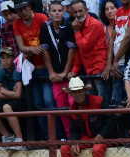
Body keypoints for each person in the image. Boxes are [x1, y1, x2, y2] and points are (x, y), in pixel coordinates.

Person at [60, 76, 121, 157]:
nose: (78, 94)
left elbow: (111, 121)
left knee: (98, 149)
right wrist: (74, 142)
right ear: (71, 94)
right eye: (75, 92)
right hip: (88, 139)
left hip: (104, 138)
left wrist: (101, 135)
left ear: (84, 90)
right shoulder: (73, 108)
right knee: (65, 148)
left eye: (79, 91)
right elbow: (74, 129)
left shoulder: (98, 101)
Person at [13, 0, 52, 138]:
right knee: (37, 103)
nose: (21, 12)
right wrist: (32, 49)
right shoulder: (16, 23)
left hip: (47, 66)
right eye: (18, 10)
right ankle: (45, 137)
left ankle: (56, 135)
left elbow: (48, 40)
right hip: (31, 68)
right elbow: (21, 47)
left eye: (24, 8)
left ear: (30, 7)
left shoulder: (42, 18)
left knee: (48, 101)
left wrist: (34, 49)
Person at [40, 0, 75, 135]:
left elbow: (71, 50)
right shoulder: (45, 27)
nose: (57, 13)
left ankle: (77, 135)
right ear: (49, 13)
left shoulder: (68, 26)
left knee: (72, 104)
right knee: (60, 106)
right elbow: (45, 51)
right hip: (55, 76)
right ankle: (67, 136)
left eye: (59, 11)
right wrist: (51, 72)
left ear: (64, 11)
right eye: (54, 11)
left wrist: (66, 72)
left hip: (69, 74)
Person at [0, 46, 26, 147]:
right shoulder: (2, 71)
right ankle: (8, 136)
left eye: (8, 57)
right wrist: (9, 93)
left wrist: (2, 91)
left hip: (21, 102)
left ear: (13, 58)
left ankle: (20, 140)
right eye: (2, 58)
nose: (5, 60)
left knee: (6, 107)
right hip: (8, 99)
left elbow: (18, 94)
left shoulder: (17, 70)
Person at [70, 0, 111, 100]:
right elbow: (79, 50)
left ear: (86, 10)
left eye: (80, 11)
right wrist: (74, 71)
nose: (78, 14)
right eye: (75, 12)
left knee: (101, 102)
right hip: (89, 69)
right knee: (93, 101)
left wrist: (76, 31)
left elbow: (84, 45)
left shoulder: (94, 24)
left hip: (99, 68)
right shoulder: (78, 25)